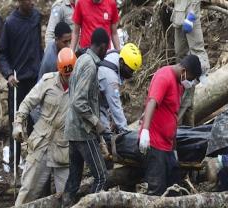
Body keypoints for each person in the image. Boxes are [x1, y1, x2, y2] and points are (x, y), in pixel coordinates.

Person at [13, 48, 76, 206]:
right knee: (27, 192)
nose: (69, 78)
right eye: (66, 75)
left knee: (67, 197)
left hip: (63, 147)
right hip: (41, 144)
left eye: (71, 74)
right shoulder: (47, 82)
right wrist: (18, 123)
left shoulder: (79, 88)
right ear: (60, 70)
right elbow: (27, 102)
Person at [139, 54, 202, 196]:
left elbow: (172, 115)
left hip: (167, 146)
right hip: (155, 144)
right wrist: (145, 131)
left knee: (174, 188)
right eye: (191, 79)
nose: (190, 82)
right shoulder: (164, 77)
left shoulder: (179, 85)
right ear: (184, 71)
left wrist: (174, 149)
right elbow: (152, 102)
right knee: (156, 190)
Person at [62, 28, 110, 207]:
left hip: (72, 129)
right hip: (83, 131)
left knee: (73, 180)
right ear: (103, 46)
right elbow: (79, 101)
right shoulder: (89, 65)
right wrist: (97, 123)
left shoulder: (81, 59)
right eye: (107, 48)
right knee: (101, 177)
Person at [0, 0, 43, 170]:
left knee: (35, 121)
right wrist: (8, 74)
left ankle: (34, 163)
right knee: (16, 122)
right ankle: (13, 164)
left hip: (35, 79)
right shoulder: (10, 23)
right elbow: (1, 54)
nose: (32, 2)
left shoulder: (36, 17)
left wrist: (42, 66)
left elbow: (39, 46)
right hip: (17, 82)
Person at [171, 0, 210, 126]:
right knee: (180, 53)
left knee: (197, 52)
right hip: (179, 9)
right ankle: (184, 83)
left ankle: (199, 75)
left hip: (190, 7)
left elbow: (199, 51)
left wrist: (193, 12)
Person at [98, 43, 142, 137]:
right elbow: (115, 106)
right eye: (130, 71)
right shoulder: (110, 77)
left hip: (100, 98)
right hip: (93, 106)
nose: (131, 75)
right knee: (105, 135)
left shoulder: (117, 56)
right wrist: (125, 131)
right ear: (122, 62)